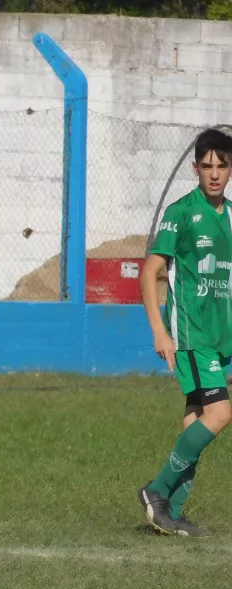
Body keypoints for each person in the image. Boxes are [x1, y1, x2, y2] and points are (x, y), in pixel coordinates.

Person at [139, 127, 232, 537]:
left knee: (196, 416)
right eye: (206, 166)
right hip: (191, 333)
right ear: (195, 168)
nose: (214, 174)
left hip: (218, 334)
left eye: (222, 166)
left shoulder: (231, 215)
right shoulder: (181, 212)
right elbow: (150, 272)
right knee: (220, 413)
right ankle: (156, 492)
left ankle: (171, 513)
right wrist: (160, 332)